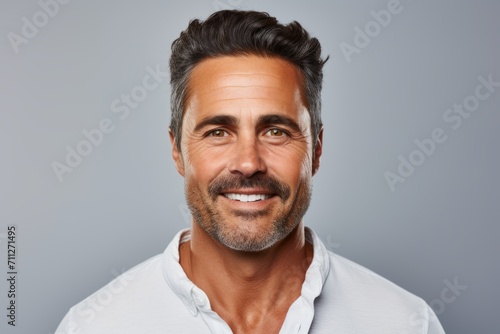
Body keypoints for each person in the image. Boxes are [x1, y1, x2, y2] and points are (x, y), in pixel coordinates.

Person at [55, 10, 445, 334]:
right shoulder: (95, 326)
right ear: (177, 150)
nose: (248, 162)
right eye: (218, 132)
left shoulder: (404, 323)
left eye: (276, 131)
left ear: (317, 150)